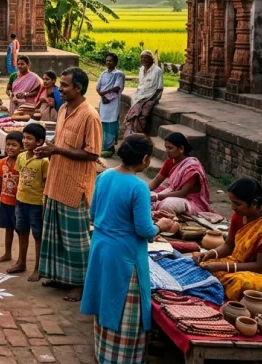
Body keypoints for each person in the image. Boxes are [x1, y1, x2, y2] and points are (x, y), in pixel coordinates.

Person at [82, 135, 176, 364]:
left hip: (101, 247)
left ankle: (101, 352)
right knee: (124, 307)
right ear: (144, 159)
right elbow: (145, 230)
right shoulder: (138, 186)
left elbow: (93, 212)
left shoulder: (104, 176)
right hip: (125, 254)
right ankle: (120, 358)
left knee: (105, 300)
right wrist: (161, 225)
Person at [34, 67, 102, 302]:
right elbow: (58, 139)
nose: (59, 89)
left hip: (75, 186)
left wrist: (57, 150)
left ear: (78, 88)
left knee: (76, 241)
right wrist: (47, 149)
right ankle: (58, 275)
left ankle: (80, 283)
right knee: (54, 234)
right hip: (56, 181)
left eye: (64, 85)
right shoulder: (63, 109)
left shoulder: (90, 116)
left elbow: (93, 154)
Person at [195, 178, 262, 302]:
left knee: (240, 282)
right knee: (200, 261)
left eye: (237, 203)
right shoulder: (239, 216)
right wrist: (210, 253)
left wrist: (222, 266)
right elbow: (229, 246)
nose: (232, 207)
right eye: (232, 202)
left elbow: (260, 267)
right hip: (239, 264)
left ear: (254, 204)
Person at [11, 123, 50, 281]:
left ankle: (38, 268)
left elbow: (46, 183)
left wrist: (45, 203)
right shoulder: (20, 157)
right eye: (24, 137)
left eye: (29, 138)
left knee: (37, 235)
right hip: (21, 200)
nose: (25, 141)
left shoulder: (44, 161)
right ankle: (21, 262)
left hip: (36, 203)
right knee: (22, 231)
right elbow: (20, 177)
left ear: (39, 142)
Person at [148, 132, 212, 215]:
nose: (167, 151)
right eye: (166, 148)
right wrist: (142, 190)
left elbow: (183, 193)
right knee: (144, 196)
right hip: (172, 194)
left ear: (181, 148)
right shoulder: (169, 161)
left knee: (167, 205)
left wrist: (157, 197)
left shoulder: (191, 167)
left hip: (190, 201)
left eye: (170, 148)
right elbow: (157, 181)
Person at [0, 133, 23, 264]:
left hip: (18, 203)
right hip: (5, 201)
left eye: (14, 145)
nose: (10, 147)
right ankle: (7, 253)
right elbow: (0, 181)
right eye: (8, 144)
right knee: (8, 228)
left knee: (21, 231)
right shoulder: (2, 162)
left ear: (21, 148)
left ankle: (21, 259)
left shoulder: (21, 164)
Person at [124, 50, 163, 136]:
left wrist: (152, 99)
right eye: (142, 57)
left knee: (141, 113)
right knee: (134, 111)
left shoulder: (157, 70)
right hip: (140, 95)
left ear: (151, 59)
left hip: (152, 96)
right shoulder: (141, 69)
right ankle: (133, 132)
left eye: (146, 57)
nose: (143, 59)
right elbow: (141, 85)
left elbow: (159, 89)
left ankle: (138, 133)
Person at [96, 53, 126, 157]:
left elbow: (117, 88)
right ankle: (104, 146)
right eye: (107, 60)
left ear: (116, 62)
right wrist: (102, 96)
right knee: (103, 123)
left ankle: (110, 147)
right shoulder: (103, 73)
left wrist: (105, 94)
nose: (108, 62)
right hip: (103, 103)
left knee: (112, 124)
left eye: (111, 61)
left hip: (113, 103)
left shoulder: (119, 74)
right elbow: (98, 86)